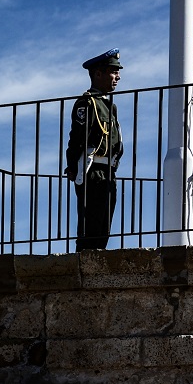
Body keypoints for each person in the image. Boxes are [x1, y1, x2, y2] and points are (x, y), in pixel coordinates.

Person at [66, 50, 125, 251]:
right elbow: (77, 139)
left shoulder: (110, 106)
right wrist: (72, 166)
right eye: (113, 72)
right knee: (90, 227)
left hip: (109, 172)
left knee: (103, 227)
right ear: (97, 74)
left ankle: (97, 261)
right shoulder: (87, 103)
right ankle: (84, 263)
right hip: (92, 173)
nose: (118, 76)